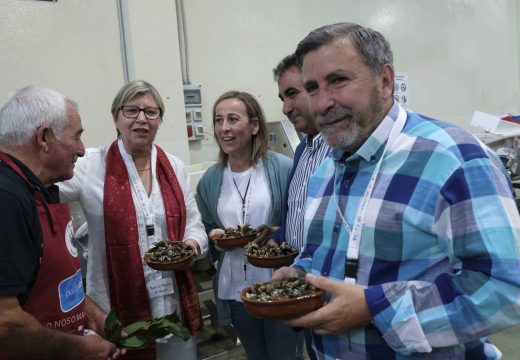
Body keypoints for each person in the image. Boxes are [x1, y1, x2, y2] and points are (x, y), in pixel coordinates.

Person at [273, 22, 520, 359]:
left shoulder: (453, 160)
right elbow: (323, 253)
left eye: (338, 81)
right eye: (312, 87)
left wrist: (376, 308)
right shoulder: (326, 168)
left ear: (385, 81)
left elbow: (505, 287)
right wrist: (300, 274)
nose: (322, 103)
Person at [58, 80, 208, 360]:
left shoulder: (174, 167)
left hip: (173, 304)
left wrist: (192, 245)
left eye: (151, 112)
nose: (141, 118)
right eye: (132, 110)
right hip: (113, 308)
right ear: (116, 116)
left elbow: (194, 224)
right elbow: (41, 184)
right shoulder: (90, 165)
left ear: (159, 120)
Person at [0, 86, 123, 359]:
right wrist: (80, 349)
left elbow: (52, 278)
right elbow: (5, 325)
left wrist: (91, 313)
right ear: (44, 137)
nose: (81, 150)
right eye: (77, 136)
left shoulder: (36, 186)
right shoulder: (6, 198)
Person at [196, 91, 302, 360]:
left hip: (279, 287)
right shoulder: (211, 179)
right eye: (218, 120)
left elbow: (301, 222)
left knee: (285, 356)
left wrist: (280, 234)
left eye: (233, 119)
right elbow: (205, 226)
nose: (224, 128)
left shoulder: (284, 168)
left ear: (255, 126)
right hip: (237, 291)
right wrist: (213, 235)